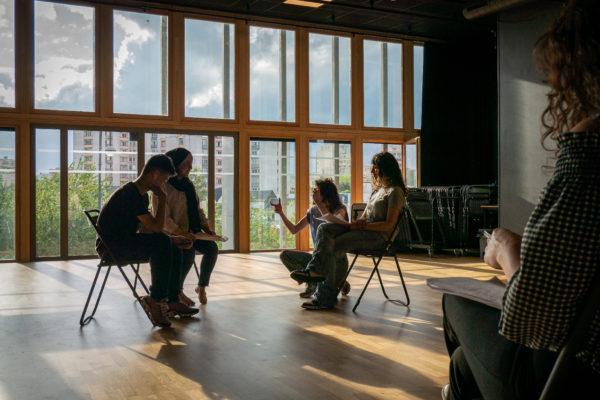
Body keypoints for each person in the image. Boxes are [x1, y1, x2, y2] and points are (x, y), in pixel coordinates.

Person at [441, 1, 600, 398]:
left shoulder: (587, 164)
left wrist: (507, 251)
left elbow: (531, 322)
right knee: (464, 366)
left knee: (454, 303)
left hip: (576, 374)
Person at [291, 152, 407, 310]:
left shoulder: (395, 192)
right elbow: (364, 218)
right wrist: (356, 224)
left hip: (379, 238)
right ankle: (315, 271)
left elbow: (389, 225)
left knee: (332, 247)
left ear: (385, 168)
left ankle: (324, 296)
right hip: (364, 232)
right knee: (325, 227)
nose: (372, 171)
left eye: (375, 167)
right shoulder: (376, 192)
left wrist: (362, 226)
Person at [96, 154, 199, 328]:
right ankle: (156, 300)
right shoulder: (131, 195)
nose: (164, 184)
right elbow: (157, 229)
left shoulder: (139, 195)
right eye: (164, 179)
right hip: (112, 248)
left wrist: (173, 239)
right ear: (155, 174)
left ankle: (172, 300)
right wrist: (163, 198)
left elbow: (148, 229)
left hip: (124, 241)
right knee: (162, 241)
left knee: (170, 244)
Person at [152, 147, 219, 306]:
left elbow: (197, 210)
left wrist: (207, 229)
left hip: (190, 232)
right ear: (175, 164)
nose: (190, 167)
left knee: (212, 248)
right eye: (186, 163)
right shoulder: (163, 185)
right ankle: (177, 292)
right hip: (171, 235)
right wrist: (180, 233)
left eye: (191, 163)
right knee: (187, 249)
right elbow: (163, 219)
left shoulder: (189, 185)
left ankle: (201, 287)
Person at [273, 178, 351, 298]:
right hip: (317, 259)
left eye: (317, 189)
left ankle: (340, 281)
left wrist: (319, 203)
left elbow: (330, 221)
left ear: (326, 193)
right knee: (285, 255)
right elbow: (294, 230)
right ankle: (311, 282)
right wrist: (281, 213)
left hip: (335, 260)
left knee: (328, 291)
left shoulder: (340, 209)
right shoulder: (313, 211)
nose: (313, 191)